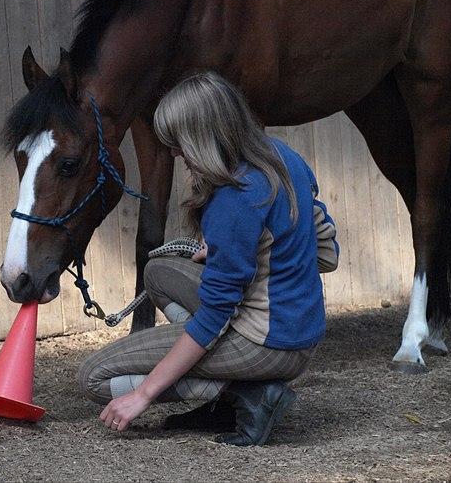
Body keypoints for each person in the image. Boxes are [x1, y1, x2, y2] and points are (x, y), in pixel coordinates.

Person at [78, 71, 339, 446]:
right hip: (297, 326)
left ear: (202, 137)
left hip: (267, 343)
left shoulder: (234, 198)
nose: (173, 152)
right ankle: (232, 382)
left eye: (177, 142)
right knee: (157, 273)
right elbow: (324, 244)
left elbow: (214, 318)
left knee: (95, 376)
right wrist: (227, 249)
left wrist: (144, 394)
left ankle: (243, 393)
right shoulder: (281, 154)